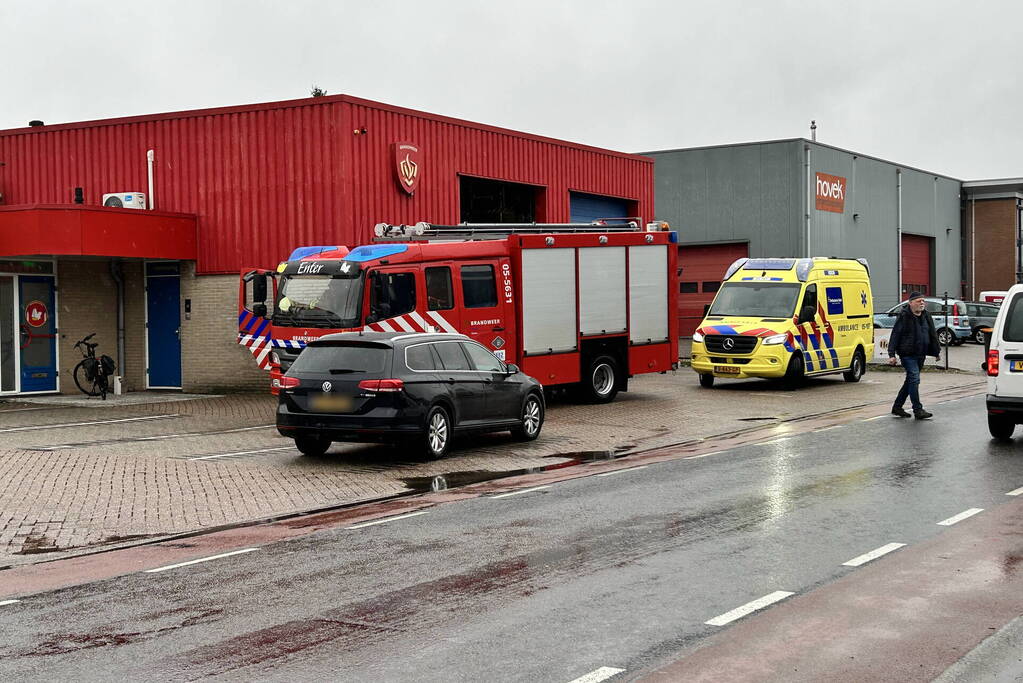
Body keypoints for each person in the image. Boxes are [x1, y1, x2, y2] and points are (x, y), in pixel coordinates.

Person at [887, 291, 941, 419]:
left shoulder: (927, 315)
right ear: (911, 303)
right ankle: (918, 409)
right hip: (907, 354)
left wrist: (936, 351)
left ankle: (897, 407)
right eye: (918, 301)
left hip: (921, 353)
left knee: (910, 381)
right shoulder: (904, 316)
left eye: (923, 301)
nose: (922, 303)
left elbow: (932, 334)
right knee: (914, 379)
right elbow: (895, 334)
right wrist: (891, 354)